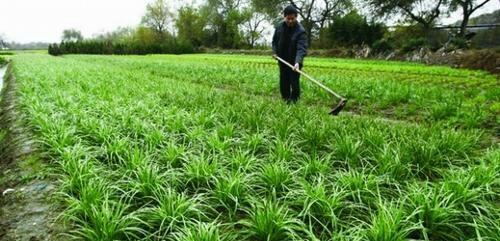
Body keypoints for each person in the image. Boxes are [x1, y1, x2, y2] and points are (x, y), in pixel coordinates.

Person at [272, 5, 308, 104]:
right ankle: (285, 100)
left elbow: (301, 49)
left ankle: (294, 101)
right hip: (282, 59)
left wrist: (297, 62)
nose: (290, 21)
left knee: (294, 82)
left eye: (293, 18)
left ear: (296, 17)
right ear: (284, 17)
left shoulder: (301, 31)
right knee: (284, 81)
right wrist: (274, 52)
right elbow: (274, 41)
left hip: (294, 61)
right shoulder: (279, 27)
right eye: (288, 18)